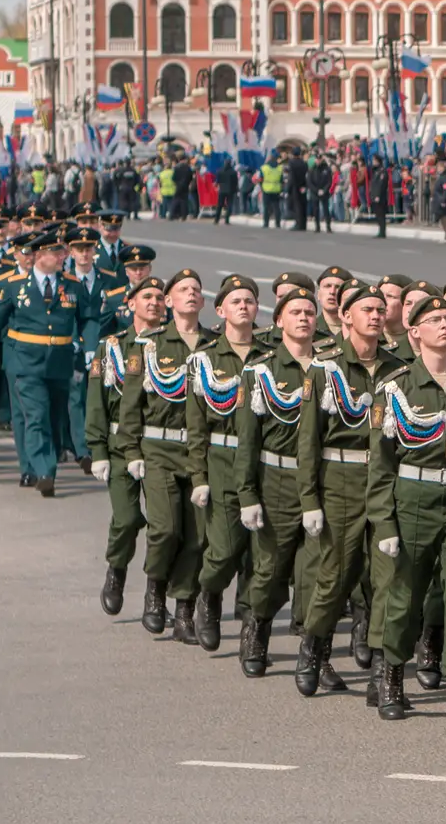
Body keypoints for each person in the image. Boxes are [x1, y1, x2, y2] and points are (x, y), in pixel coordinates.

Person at [365, 294, 446, 720]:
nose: (445, 325)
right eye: (434, 320)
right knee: (404, 595)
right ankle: (391, 675)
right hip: (413, 499)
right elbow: (381, 464)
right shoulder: (395, 387)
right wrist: (384, 523)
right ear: (414, 332)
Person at [294, 284, 405, 696]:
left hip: (386, 482)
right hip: (340, 482)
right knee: (336, 575)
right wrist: (310, 499)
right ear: (346, 317)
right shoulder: (325, 369)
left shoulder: (398, 369)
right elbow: (308, 441)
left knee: (386, 578)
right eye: (366, 309)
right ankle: (314, 648)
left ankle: (381, 668)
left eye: (380, 309)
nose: (375, 316)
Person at [116, 270, 211, 635]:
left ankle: (184, 607)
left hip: (201, 452)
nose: (191, 294)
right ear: (169, 301)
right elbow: (130, 405)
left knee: (198, 536)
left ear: (203, 302)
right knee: (166, 529)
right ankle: (155, 591)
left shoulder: (213, 346)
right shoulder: (149, 345)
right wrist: (131, 451)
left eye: (196, 290)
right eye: (183, 289)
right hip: (158, 449)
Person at [236, 290, 324, 681]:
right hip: (277, 479)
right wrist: (247, 494)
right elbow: (247, 440)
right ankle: (257, 631)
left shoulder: (330, 369)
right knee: (270, 567)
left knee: (314, 570)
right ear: (279, 321)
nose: (304, 318)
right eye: (295, 312)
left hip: (321, 480)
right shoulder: (261, 371)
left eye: (310, 312)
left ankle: (312, 649)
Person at [0, 226, 94, 497]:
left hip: (60, 363)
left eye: (62, 251)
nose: (63, 256)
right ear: (40, 255)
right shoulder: (15, 287)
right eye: (57, 252)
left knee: (54, 418)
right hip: (26, 364)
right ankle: (43, 472)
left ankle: (47, 464)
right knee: (36, 416)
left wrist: (89, 345)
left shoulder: (72, 286)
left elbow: (88, 317)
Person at [184, 274, 262, 652]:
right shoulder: (205, 359)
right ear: (220, 311)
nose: (243, 307)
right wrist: (198, 475)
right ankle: (209, 594)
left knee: (259, 554)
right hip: (222, 459)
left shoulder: (270, 356)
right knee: (225, 548)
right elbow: (196, 425)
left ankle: (251, 624)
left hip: (263, 462)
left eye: (249, 301)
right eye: (236, 301)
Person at [87, 276, 166, 615]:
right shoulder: (112, 347)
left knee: (165, 527)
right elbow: (96, 402)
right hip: (120, 445)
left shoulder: (171, 346)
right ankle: (116, 569)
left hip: (159, 445)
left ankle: (156, 592)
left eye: (160, 297)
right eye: (147, 296)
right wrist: (98, 450)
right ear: (131, 303)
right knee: (127, 518)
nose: (154, 302)